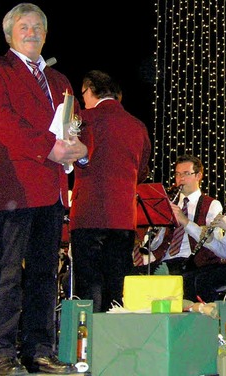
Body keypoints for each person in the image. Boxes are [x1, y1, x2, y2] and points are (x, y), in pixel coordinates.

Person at [0, 3, 88, 374]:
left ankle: (38, 349)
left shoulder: (59, 81)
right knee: (8, 272)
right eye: (24, 26)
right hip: (15, 186)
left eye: (39, 27)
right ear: (9, 34)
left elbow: (75, 125)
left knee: (44, 273)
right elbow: (2, 123)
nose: (32, 32)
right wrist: (51, 147)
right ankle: (1, 352)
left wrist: (80, 148)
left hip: (53, 189)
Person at [69, 70, 151, 313]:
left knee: (89, 284)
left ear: (90, 89)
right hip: (124, 218)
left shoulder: (84, 119)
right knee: (118, 285)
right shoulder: (138, 126)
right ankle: (115, 344)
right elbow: (142, 171)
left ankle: (88, 344)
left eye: (83, 93)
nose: (83, 98)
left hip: (89, 213)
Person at [145, 154, 226, 303]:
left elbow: (214, 243)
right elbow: (154, 246)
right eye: (177, 174)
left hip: (192, 262)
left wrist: (185, 221)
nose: (180, 179)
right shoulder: (169, 204)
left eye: (186, 174)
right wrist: (156, 230)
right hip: (166, 260)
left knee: (187, 281)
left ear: (198, 176)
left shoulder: (211, 205)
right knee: (133, 276)